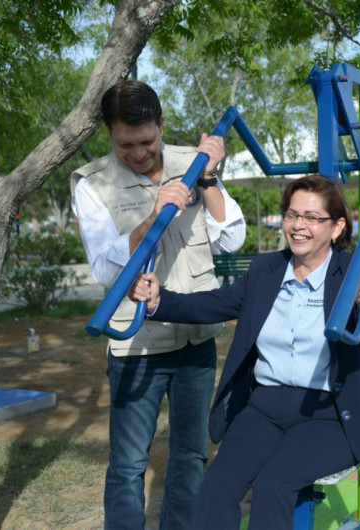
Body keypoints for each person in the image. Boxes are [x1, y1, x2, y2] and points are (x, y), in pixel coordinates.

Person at [131, 175, 360, 529]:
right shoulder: (265, 270)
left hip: (328, 414)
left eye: (313, 218)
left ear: (336, 228)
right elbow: (215, 304)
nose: (299, 226)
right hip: (264, 409)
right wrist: (158, 300)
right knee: (218, 486)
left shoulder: (354, 272)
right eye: (292, 215)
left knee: (273, 484)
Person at [70, 80, 246, 529]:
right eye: (125, 143)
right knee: (129, 465)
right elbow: (107, 269)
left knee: (190, 455)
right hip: (137, 346)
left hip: (195, 336)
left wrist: (207, 180)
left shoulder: (195, 161)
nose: (139, 152)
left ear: (161, 124)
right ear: (109, 133)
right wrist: (152, 216)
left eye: (147, 140)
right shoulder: (92, 183)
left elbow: (232, 238)